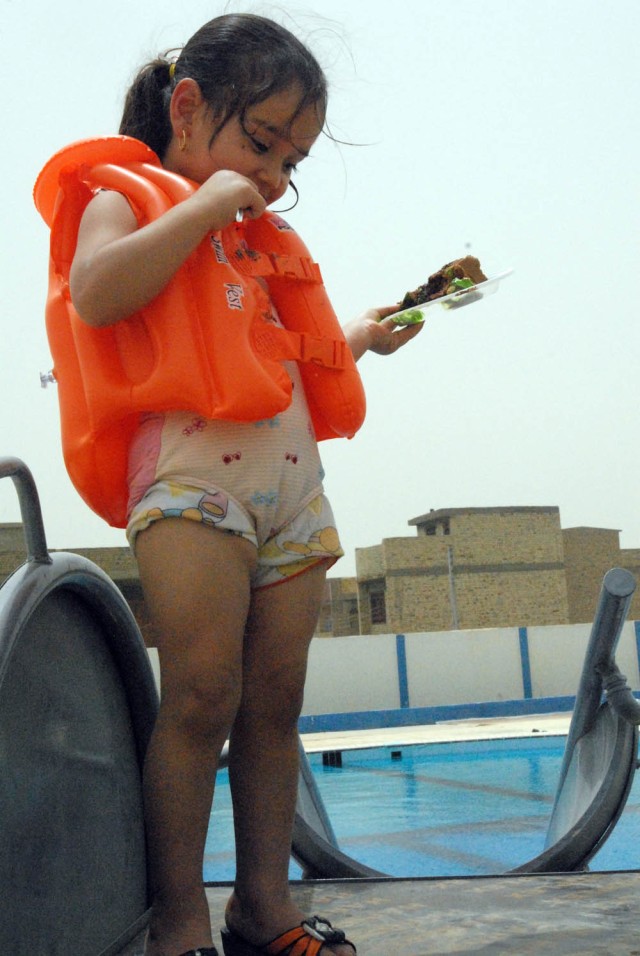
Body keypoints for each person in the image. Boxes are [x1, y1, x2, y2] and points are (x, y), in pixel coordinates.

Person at [66, 13, 421, 956]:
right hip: (192, 486)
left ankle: (266, 911)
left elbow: (266, 363)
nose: (274, 177)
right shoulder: (126, 198)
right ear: (187, 111)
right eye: (261, 143)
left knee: (275, 708)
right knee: (199, 697)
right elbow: (96, 290)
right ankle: (179, 921)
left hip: (291, 492)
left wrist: (360, 339)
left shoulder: (257, 241)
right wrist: (198, 205)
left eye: (290, 161)